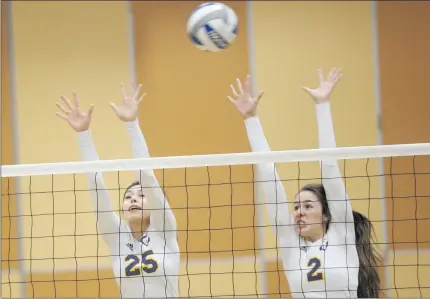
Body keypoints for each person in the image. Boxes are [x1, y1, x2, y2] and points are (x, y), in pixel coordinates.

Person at [227, 69, 381, 298]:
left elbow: (330, 166)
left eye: (308, 206)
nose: (299, 213)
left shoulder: (341, 235)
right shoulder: (290, 245)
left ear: (327, 214)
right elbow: (269, 177)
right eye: (297, 207)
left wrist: (322, 105)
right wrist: (251, 119)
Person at [55, 83, 180, 298]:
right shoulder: (116, 236)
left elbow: (147, 177)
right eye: (128, 197)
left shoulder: (164, 230)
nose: (133, 200)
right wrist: (83, 134)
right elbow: (97, 187)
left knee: (147, 180)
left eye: (141, 196)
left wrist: (131, 124)